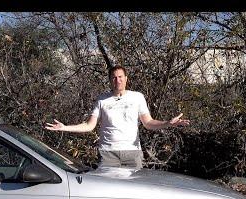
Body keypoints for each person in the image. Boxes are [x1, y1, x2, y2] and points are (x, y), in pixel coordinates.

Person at [45, 65, 190, 168]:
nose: (117, 80)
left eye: (120, 77)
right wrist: (64, 127)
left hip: (132, 154)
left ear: (126, 78)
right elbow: (89, 125)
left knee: (133, 194)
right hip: (108, 154)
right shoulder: (102, 100)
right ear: (110, 80)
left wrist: (168, 123)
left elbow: (148, 122)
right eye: (114, 78)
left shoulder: (137, 97)